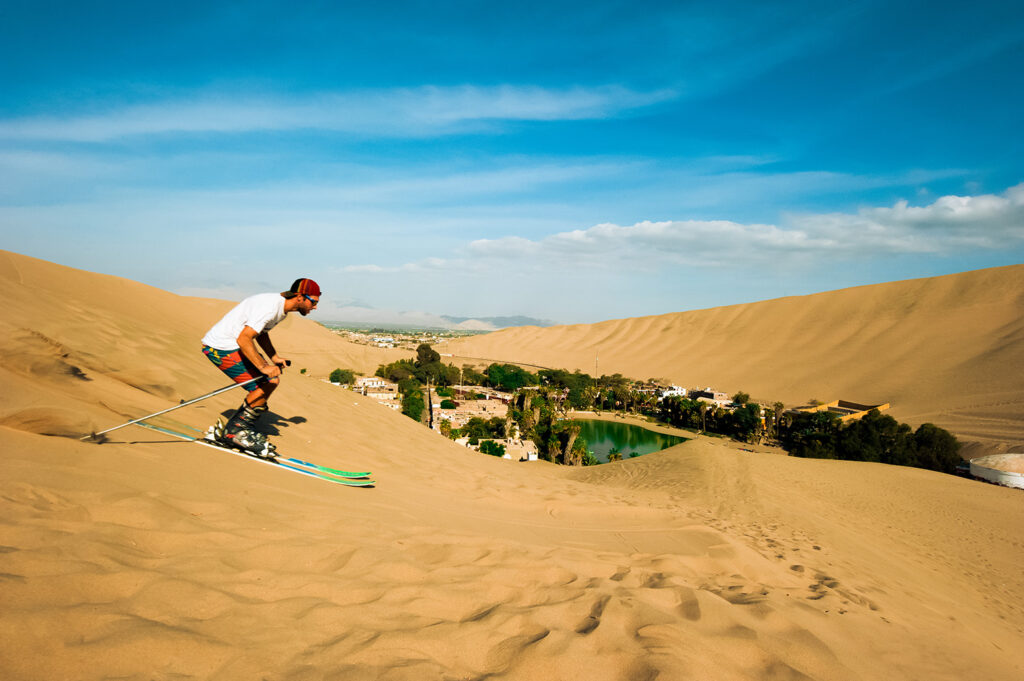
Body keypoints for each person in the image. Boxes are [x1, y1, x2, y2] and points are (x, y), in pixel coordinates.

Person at [200, 278, 320, 457]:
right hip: (221, 347)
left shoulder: (281, 309)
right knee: (268, 380)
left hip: (231, 345)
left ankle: (238, 429)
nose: (315, 307)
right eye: (314, 302)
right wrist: (263, 367)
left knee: (270, 382)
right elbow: (244, 338)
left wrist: (274, 358)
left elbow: (261, 334)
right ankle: (236, 432)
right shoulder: (270, 308)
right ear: (300, 297)